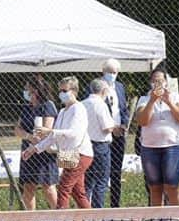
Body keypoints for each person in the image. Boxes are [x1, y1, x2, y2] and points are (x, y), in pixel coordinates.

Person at [23, 77, 93, 210]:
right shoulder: (62, 111)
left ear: (74, 91)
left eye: (64, 90)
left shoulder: (79, 109)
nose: (61, 93)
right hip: (67, 153)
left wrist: (50, 130)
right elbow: (52, 137)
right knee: (78, 192)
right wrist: (34, 149)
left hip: (81, 153)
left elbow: (74, 133)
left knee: (63, 187)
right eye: (60, 90)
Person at [135, 67, 179, 221]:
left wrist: (169, 102)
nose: (158, 83)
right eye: (155, 81)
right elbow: (142, 121)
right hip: (150, 149)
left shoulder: (175, 97)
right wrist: (152, 101)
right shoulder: (144, 99)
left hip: (172, 148)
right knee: (155, 187)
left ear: (166, 82)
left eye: (160, 80)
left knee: (172, 186)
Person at [14, 74, 59, 211]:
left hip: (44, 153)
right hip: (28, 153)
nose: (26, 91)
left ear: (36, 90)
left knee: (48, 187)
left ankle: (61, 219)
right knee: (28, 187)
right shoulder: (27, 107)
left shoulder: (48, 106)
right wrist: (28, 136)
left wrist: (36, 142)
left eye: (28, 88)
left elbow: (46, 131)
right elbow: (17, 129)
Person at [81, 78, 117, 209]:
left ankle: (85, 211)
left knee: (87, 182)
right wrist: (114, 126)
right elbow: (107, 127)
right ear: (103, 90)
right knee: (101, 182)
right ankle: (98, 213)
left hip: (84, 146)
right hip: (100, 146)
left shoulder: (82, 103)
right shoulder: (101, 104)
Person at [99, 59, 129, 207]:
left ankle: (115, 205)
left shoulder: (120, 87)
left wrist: (123, 125)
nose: (111, 75)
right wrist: (111, 127)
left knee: (116, 172)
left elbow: (124, 109)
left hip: (119, 135)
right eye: (109, 72)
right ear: (103, 72)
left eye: (114, 72)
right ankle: (99, 206)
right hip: (103, 135)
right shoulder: (96, 86)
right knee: (102, 172)